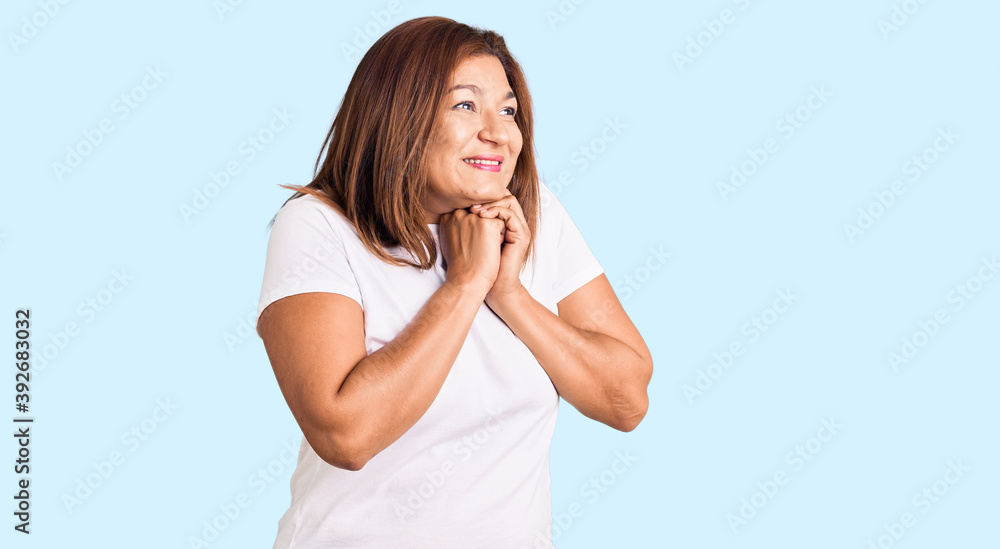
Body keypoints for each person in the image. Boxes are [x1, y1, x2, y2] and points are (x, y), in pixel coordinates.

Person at [255, 15, 653, 548]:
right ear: (398, 114)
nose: (496, 131)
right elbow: (345, 434)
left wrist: (508, 293)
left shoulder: (536, 214)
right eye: (465, 105)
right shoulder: (319, 225)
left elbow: (626, 400)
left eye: (507, 110)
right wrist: (464, 286)